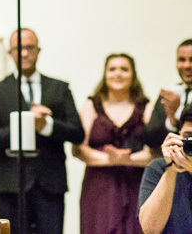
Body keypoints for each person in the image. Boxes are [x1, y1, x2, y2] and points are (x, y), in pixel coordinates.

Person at [0, 28, 84, 234]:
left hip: (50, 183)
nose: (24, 53)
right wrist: (27, 122)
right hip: (11, 183)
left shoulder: (59, 88)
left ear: (38, 50)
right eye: (18, 48)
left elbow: (77, 133)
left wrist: (46, 125)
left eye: (30, 47)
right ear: (10, 53)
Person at [72, 53, 155, 233]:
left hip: (136, 183)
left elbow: (155, 151)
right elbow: (79, 149)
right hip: (99, 186)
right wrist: (110, 159)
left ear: (133, 74)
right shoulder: (92, 105)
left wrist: (129, 160)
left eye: (124, 69)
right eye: (112, 69)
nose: (118, 74)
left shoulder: (146, 106)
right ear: (105, 74)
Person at [138, 106, 192, 233]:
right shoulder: (159, 168)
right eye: (188, 137)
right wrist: (172, 167)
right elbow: (150, 229)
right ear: (178, 136)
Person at [144, 39, 192, 148]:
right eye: (182, 60)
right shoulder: (170, 93)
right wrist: (171, 120)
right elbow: (150, 139)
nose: (187, 65)